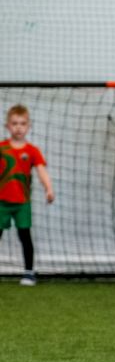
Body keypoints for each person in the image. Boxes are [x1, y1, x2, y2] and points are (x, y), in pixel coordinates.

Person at [1, 105, 54, 285]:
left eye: (22, 124)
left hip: (22, 203)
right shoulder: (2, 148)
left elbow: (41, 170)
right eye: (14, 123)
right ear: (7, 126)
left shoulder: (32, 151)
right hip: (1, 203)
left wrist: (48, 188)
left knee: (25, 236)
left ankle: (29, 272)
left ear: (28, 126)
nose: (18, 127)